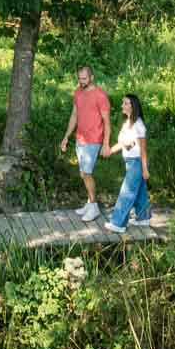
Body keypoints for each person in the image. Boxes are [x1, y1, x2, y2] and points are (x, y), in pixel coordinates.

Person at [56, 64, 109, 222]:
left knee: (86, 173)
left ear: (92, 77)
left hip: (94, 139)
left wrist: (106, 143)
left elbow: (107, 121)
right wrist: (66, 136)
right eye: (79, 78)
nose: (81, 81)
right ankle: (89, 203)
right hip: (80, 138)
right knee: (83, 173)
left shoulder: (100, 95)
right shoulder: (78, 92)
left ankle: (94, 206)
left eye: (84, 78)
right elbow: (74, 115)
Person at [103, 92, 151, 236]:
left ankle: (118, 223)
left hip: (137, 162)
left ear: (133, 106)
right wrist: (110, 151)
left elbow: (143, 150)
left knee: (127, 193)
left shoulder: (138, 125)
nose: (122, 105)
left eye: (125, 103)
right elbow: (122, 143)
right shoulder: (127, 123)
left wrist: (145, 169)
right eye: (122, 103)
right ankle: (143, 218)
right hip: (130, 162)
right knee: (140, 192)